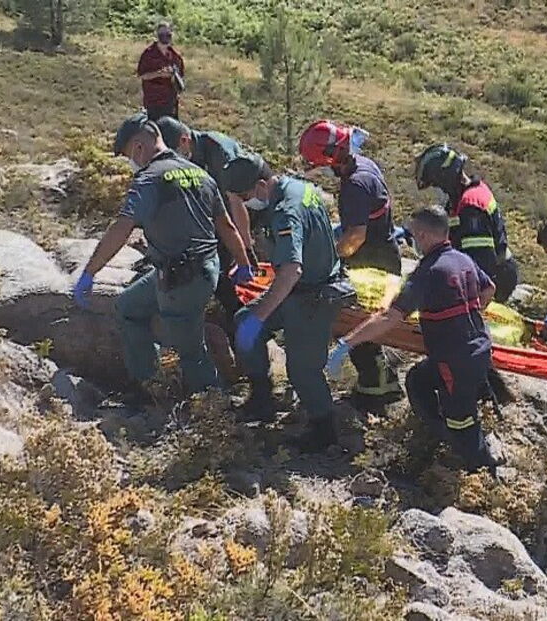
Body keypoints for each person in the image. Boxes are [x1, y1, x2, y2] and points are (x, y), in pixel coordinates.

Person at [71, 113, 253, 398]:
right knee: (127, 308)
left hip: (182, 280)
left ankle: (213, 408)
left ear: (139, 146)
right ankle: (148, 379)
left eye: (130, 152)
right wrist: (243, 263)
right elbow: (227, 226)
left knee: (191, 352)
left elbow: (123, 226)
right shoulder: (198, 172)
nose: (132, 159)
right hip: (200, 269)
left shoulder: (150, 179)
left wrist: (90, 272)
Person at [326, 206, 500, 472]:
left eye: (415, 236)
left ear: (424, 235)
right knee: (418, 380)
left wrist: (348, 342)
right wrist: (464, 314)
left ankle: (477, 470)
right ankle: (440, 436)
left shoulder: (429, 272)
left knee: (462, 422)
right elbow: (489, 288)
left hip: (455, 360)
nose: (414, 242)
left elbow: (388, 318)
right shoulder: (461, 260)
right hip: (476, 348)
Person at [223, 154, 344, 450]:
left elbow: (292, 270)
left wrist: (261, 316)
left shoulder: (286, 211)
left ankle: (323, 429)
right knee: (242, 320)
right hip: (297, 288)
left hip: (313, 294)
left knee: (302, 369)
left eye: (245, 196)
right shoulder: (298, 187)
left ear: (263, 186)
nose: (244, 202)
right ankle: (262, 397)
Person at [298, 120, 401, 405]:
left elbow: (355, 236)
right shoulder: (363, 166)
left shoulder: (355, 185)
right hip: (382, 253)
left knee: (351, 322)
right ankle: (381, 375)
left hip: (373, 262)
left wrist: (328, 256)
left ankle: (378, 388)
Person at [155, 116, 260, 329]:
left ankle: (245, 319)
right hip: (218, 210)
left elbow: (236, 202)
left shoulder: (218, 153)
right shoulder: (182, 158)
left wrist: (246, 250)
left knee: (224, 263)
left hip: (250, 201)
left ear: (184, 141)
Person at [414, 144, 519, 303]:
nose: (439, 190)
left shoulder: (471, 207)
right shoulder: (462, 197)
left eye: (437, 184)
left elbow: (480, 263)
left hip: (495, 279)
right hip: (492, 272)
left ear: (445, 178)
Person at [137, 22, 185, 121]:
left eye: (168, 34)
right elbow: (142, 75)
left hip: (171, 104)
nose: (165, 37)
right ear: (157, 35)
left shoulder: (175, 56)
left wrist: (173, 76)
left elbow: (180, 80)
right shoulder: (149, 54)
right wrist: (159, 74)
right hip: (154, 102)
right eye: (162, 33)